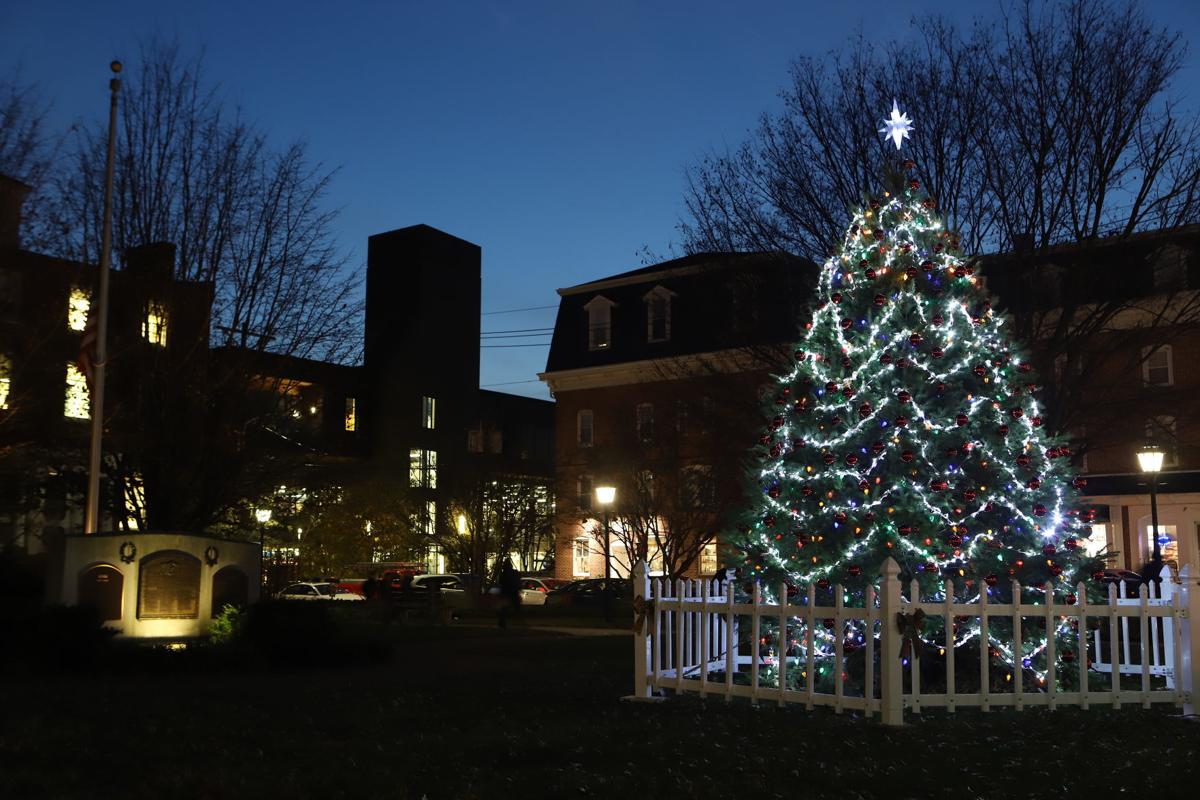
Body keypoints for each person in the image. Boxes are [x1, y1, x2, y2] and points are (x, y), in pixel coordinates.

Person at [498, 558, 522, 629]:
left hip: (507, 593)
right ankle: (519, 623)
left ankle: (503, 622)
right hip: (512, 592)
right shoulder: (512, 573)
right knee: (516, 607)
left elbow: (501, 582)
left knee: (505, 609)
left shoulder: (504, 573)